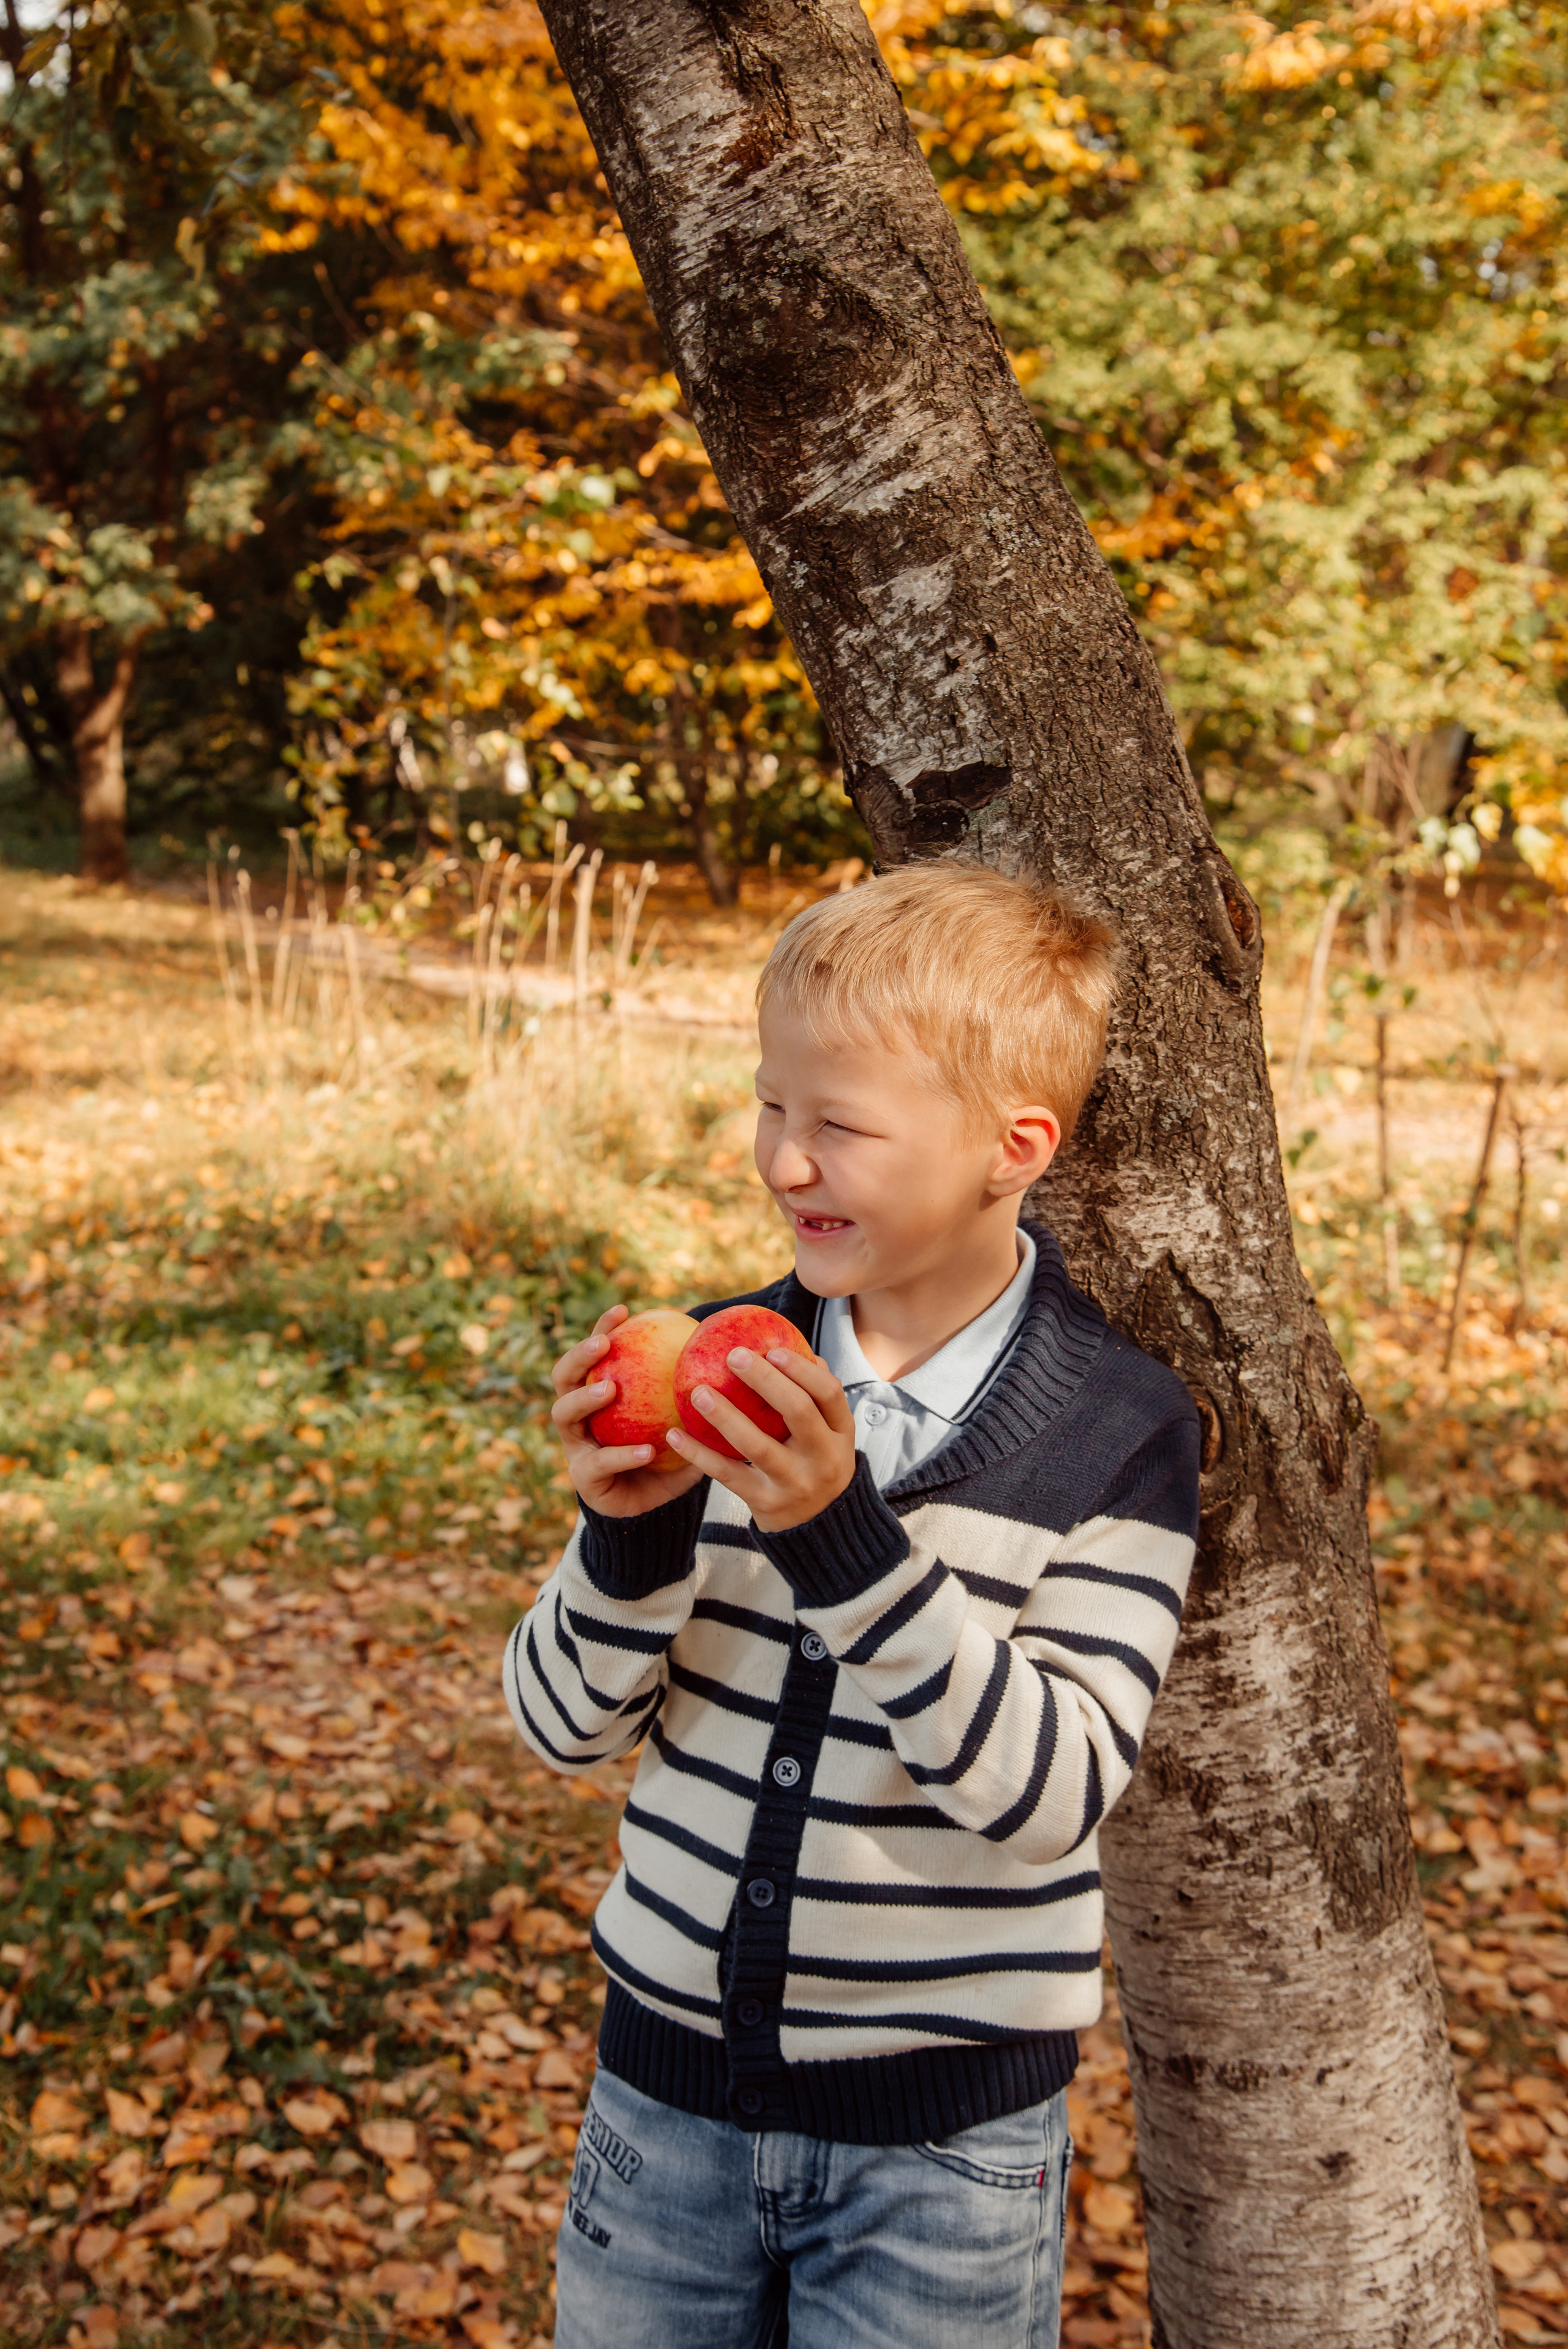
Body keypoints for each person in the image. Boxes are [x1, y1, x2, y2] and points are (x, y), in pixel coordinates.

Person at [502, 862, 1200, 2349]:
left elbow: (1051, 1789)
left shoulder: (1116, 1429)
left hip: (937, 2163)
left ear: (1010, 1151)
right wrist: (624, 1541)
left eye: (841, 1126)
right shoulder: (718, 1368)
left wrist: (841, 1538)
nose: (782, 1163)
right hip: (662, 2112)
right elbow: (563, 1729)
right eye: (772, 1105)